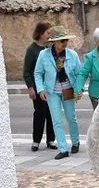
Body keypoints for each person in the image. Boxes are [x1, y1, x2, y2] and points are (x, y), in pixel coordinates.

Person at [34, 26, 82, 160]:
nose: (65, 43)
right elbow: (38, 73)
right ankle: (63, 149)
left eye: (66, 40)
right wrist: (40, 89)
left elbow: (80, 74)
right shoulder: (43, 55)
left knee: (71, 118)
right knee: (56, 120)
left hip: (68, 89)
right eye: (62, 40)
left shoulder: (72, 55)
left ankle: (76, 142)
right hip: (52, 92)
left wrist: (79, 90)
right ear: (54, 42)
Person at [23, 21, 57, 153]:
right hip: (38, 88)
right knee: (39, 114)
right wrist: (31, 88)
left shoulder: (50, 49)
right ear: (41, 33)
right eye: (48, 33)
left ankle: (51, 140)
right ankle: (36, 141)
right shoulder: (32, 50)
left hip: (51, 87)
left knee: (51, 113)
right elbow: (27, 72)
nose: (50, 35)